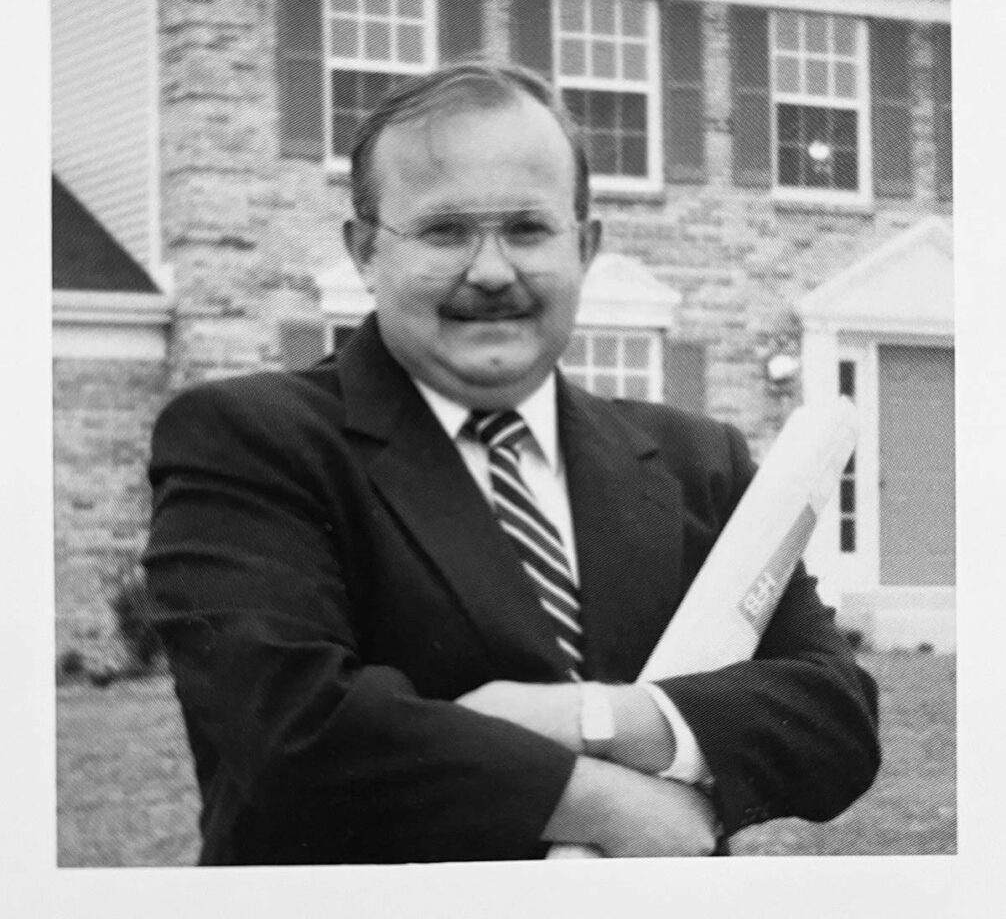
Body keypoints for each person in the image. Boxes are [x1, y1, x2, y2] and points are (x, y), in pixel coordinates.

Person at [143, 61, 880, 865]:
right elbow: (291, 728)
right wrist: (607, 805)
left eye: (528, 229)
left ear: (585, 246)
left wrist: (597, 719)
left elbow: (837, 715)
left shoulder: (696, 461)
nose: (491, 271)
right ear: (364, 250)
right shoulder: (249, 441)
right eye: (444, 231)